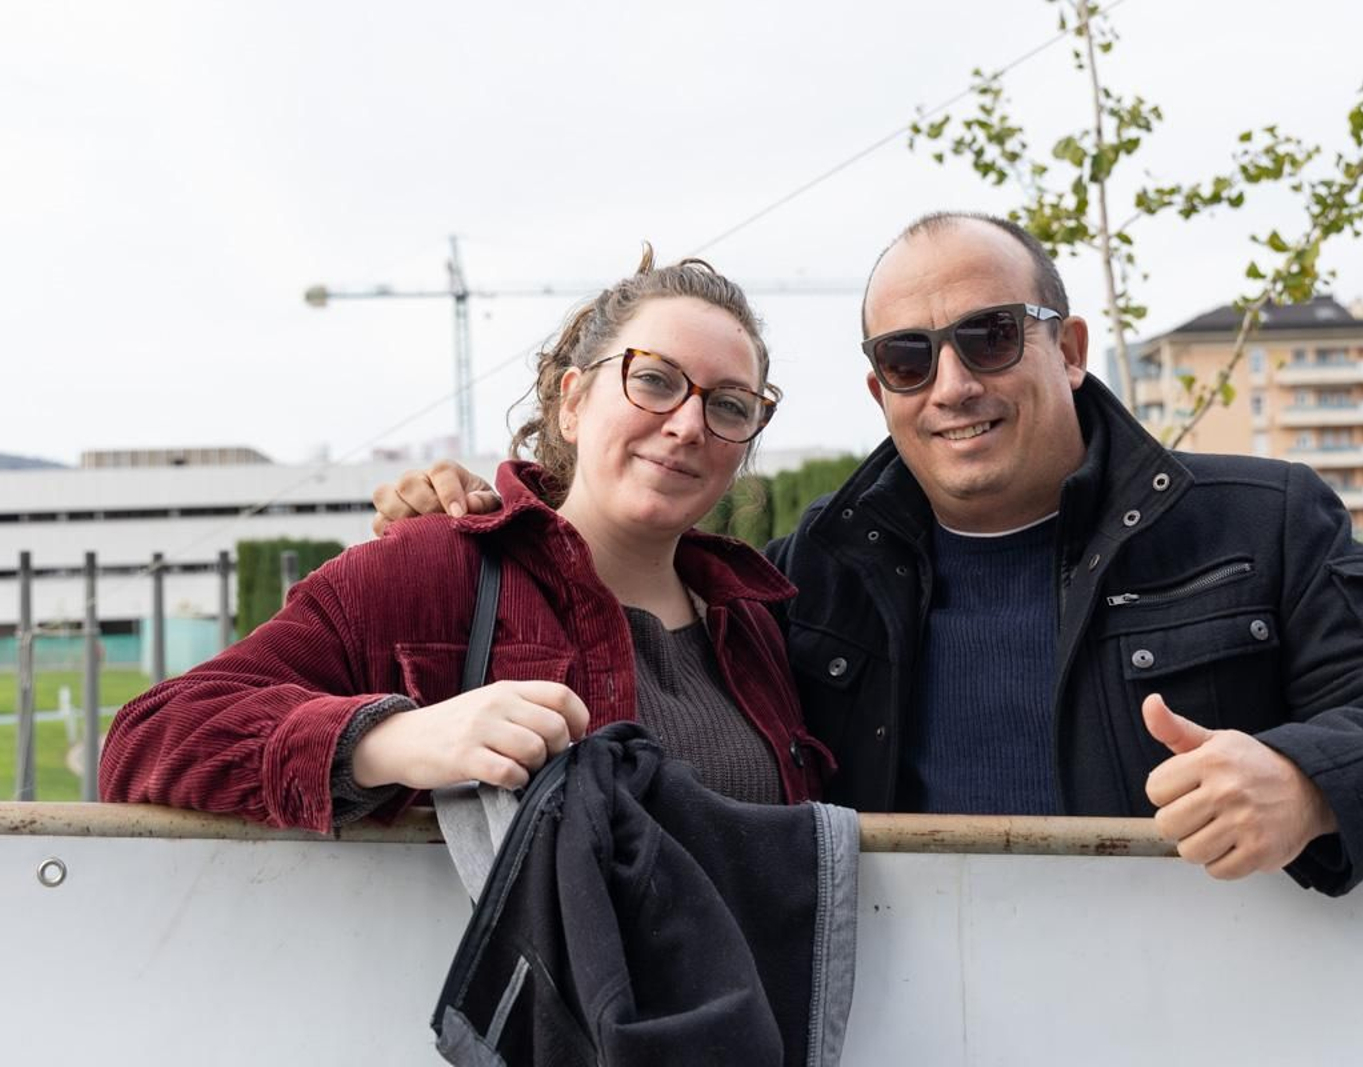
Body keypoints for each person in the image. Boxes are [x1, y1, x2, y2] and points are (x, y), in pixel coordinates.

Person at [373, 212, 1363, 896]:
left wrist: (1307, 777)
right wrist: (462, 516)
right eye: (909, 357)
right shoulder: (805, 575)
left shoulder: (1256, 524)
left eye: (987, 336)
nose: (954, 383)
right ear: (879, 389)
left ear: (1067, 347)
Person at [100, 249, 831, 830]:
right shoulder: (434, 571)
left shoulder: (759, 630)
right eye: (656, 380)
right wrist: (390, 742)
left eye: (729, 404)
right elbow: (150, 738)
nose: (686, 425)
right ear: (573, 401)